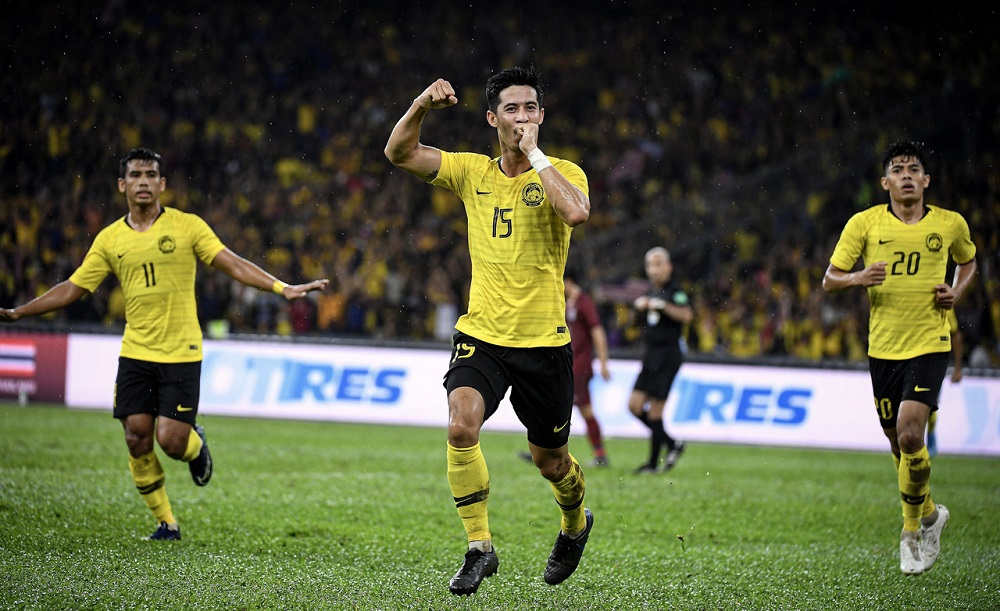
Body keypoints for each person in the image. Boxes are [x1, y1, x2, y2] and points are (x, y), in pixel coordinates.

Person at [0, 147, 329, 541]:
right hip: (135, 351)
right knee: (136, 436)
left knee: (171, 442)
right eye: (135, 175)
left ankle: (195, 444)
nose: (143, 181)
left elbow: (231, 262)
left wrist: (282, 287)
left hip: (182, 351)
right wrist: (21, 313)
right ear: (122, 184)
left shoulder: (188, 226)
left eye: (150, 175)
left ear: (162, 184)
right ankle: (166, 522)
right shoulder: (109, 240)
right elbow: (74, 287)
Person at [385, 66, 593, 596]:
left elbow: (576, 213)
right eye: (511, 109)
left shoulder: (563, 170)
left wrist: (536, 156)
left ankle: (574, 524)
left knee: (552, 462)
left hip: (544, 344)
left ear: (541, 116)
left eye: (530, 109)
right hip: (482, 335)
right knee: (461, 426)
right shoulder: (471, 171)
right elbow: (400, 153)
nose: (521, 118)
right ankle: (479, 547)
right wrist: (421, 105)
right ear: (491, 118)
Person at [822, 140, 976, 575]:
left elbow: (969, 263)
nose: (907, 174)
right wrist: (858, 277)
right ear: (885, 182)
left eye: (914, 169)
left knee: (911, 435)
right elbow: (829, 279)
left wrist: (956, 292)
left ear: (926, 181)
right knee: (897, 444)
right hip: (883, 348)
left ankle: (911, 533)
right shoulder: (864, 223)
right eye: (898, 169)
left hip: (930, 343)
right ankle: (929, 512)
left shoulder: (950, 224)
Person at [628, 247, 692, 474]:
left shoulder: (675, 291)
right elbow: (635, 326)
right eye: (650, 265)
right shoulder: (649, 293)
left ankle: (652, 464)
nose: (653, 270)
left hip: (668, 355)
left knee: (655, 411)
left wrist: (663, 306)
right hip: (650, 355)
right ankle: (672, 444)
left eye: (658, 264)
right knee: (634, 406)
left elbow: (686, 315)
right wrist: (636, 310)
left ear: (668, 267)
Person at [926, 309, 963, 456]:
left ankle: (930, 435)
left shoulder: (943, 304)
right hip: (907, 358)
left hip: (933, 360)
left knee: (929, 403)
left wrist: (958, 368)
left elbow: (955, 334)